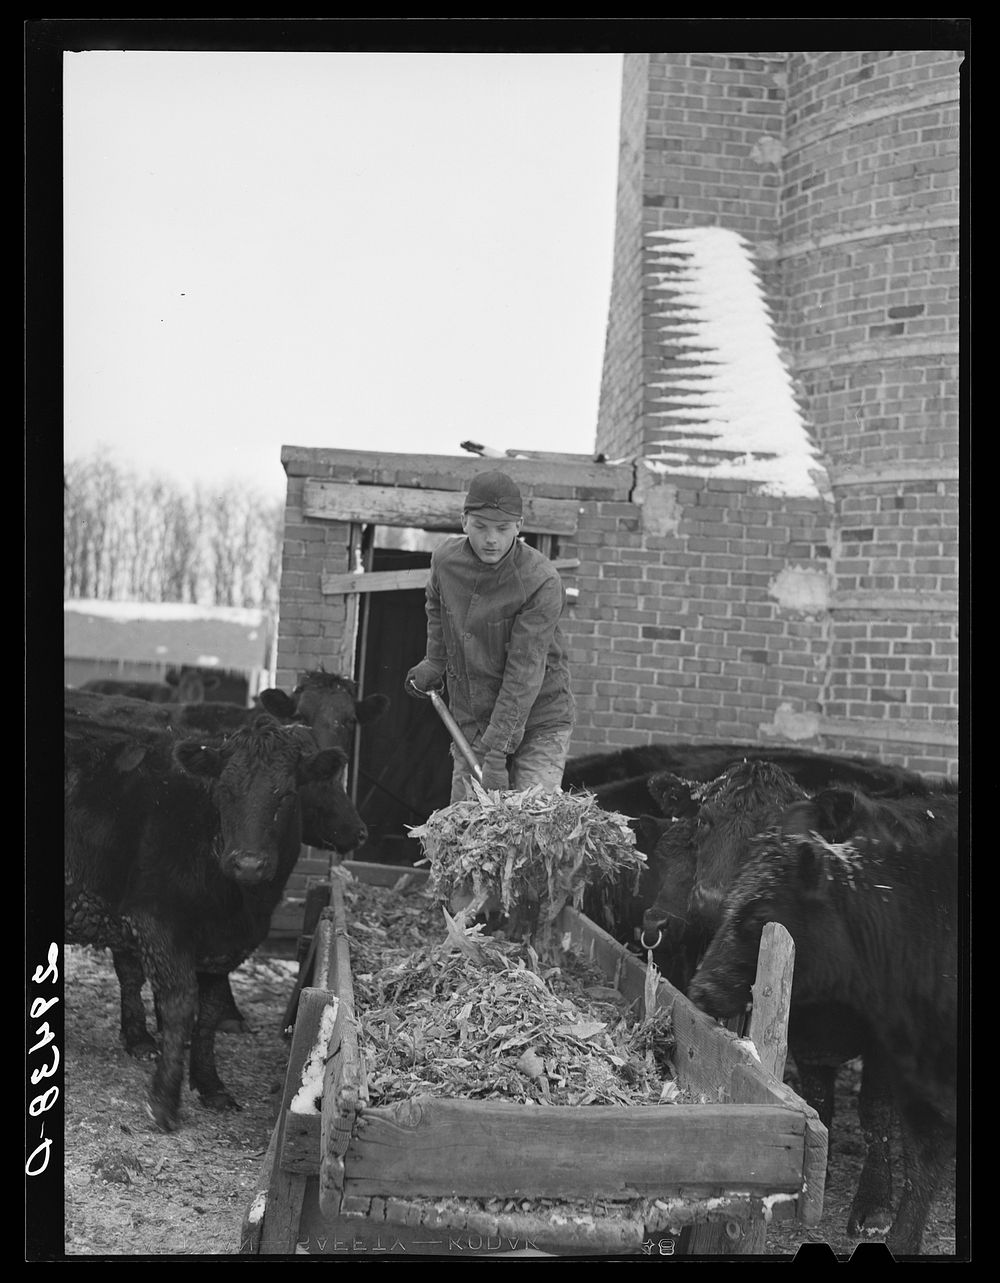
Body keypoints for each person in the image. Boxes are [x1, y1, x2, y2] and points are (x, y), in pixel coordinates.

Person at [405, 470, 576, 803]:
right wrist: (435, 660)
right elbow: (436, 605)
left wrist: (497, 751)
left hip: (540, 715)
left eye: (502, 528)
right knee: (463, 832)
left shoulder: (540, 581)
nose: (491, 539)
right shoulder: (445, 562)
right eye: (481, 527)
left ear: (519, 525)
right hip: (474, 715)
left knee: (529, 828)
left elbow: (524, 669)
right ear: (464, 521)